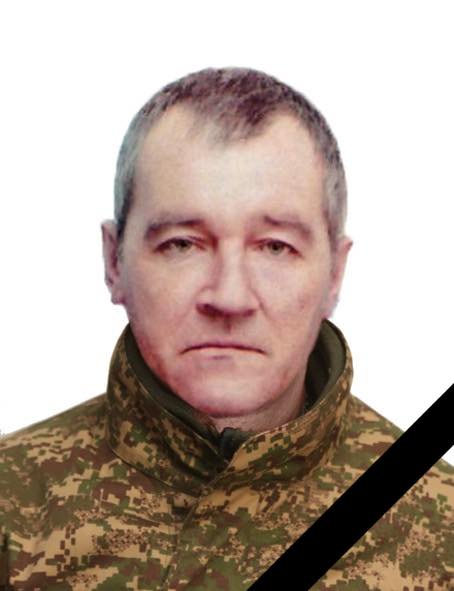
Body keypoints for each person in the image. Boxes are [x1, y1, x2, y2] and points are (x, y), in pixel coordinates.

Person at [0, 67, 452, 591]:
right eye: (182, 244)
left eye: (275, 247)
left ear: (335, 273)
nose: (230, 297)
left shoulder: (443, 531)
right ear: (114, 261)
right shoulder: (11, 501)